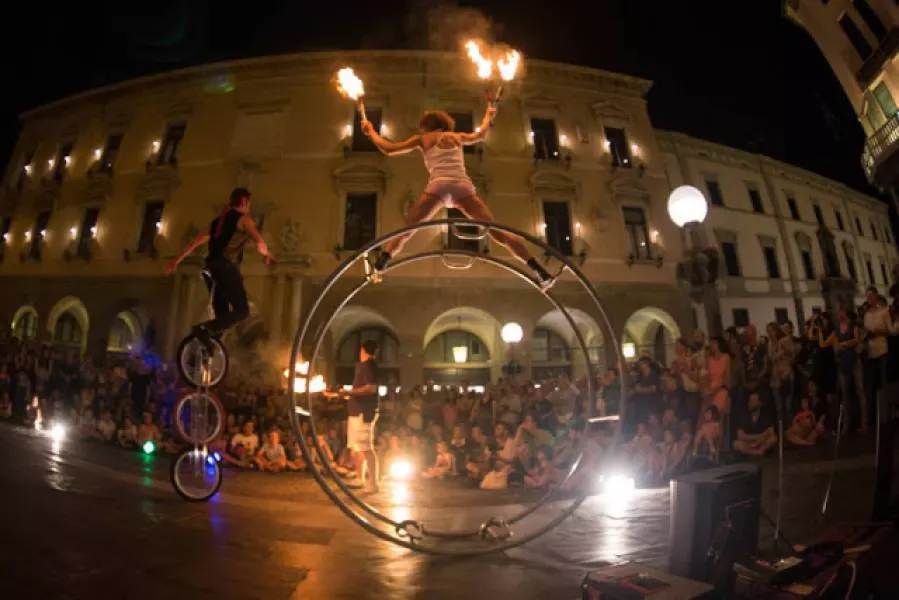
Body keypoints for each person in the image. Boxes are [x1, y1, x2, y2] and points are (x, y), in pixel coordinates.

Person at [359, 107, 553, 286]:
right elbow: (482, 134)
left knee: (408, 229)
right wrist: (489, 113)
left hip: (439, 186)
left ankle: (383, 261)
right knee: (496, 232)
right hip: (462, 187)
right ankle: (538, 269)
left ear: (427, 125)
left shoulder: (423, 138)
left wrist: (371, 132)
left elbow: (389, 149)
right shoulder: (458, 136)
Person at [165, 187, 275, 351]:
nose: (249, 207)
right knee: (242, 311)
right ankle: (203, 330)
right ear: (244, 201)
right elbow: (259, 241)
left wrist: (176, 261)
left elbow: (194, 242)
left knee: (222, 318)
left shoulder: (218, 223)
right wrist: (267, 255)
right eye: (249, 203)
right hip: (225, 267)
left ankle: (205, 349)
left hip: (210, 270)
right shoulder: (244, 219)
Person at [325, 340, 380, 493]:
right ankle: (359, 477)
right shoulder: (361, 366)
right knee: (356, 448)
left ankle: (373, 483)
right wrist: (339, 394)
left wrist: (349, 392)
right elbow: (358, 391)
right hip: (356, 412)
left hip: (364, 413)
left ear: (363, 351)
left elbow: (370, 388)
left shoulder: (370, 365)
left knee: (366, 448)